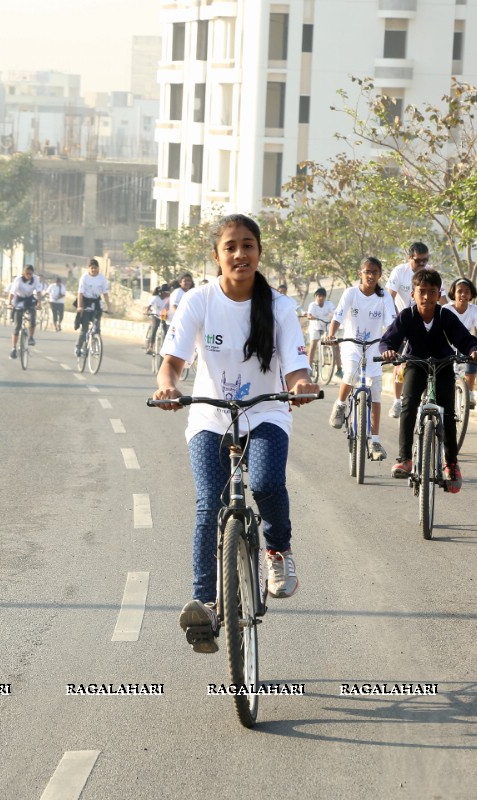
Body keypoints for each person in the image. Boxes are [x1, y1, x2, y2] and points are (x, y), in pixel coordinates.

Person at [151, 213, 319, 653]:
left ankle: (277, 552)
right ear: (217, 256)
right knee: (210, 501)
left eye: (248, 245)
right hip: (210, 417)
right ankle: (205, 603)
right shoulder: (198, 301)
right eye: (231, 246)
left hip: (265, 415)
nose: (240, 253)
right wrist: (168, 384)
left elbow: (297, 368)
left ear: (259, 252)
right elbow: (173, 360)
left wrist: (300, 386)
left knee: (264, 483)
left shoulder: (280, 307)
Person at [379, 269, 477, 493]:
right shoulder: (406, 316)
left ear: (439, 294)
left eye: (432, 292)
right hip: (416, 363)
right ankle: (405, 459)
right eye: (422, 292)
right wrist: (388, 350)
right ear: (413, 294)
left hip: (444, 364)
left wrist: (474, 349)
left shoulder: (445, 316)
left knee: (447, 413)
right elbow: (390, 339)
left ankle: (451, 465)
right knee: (408, 404)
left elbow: (464, 338)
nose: (427, 297)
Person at [326, 257, 397, 460]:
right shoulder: (351, 293)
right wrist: (331, 335)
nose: (371, 275)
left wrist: (393, 345)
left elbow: (391, 324)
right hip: (352, 346)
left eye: (375, 272)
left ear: (379, 275)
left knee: (375, 393)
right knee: (350, 372)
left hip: (375, 349)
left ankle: (375, 441)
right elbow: (338, 317)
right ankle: (340, 405)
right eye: (367, 272)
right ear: (361, 273)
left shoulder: (384, 297)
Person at [386, 242, 441, 419]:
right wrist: (394, 321)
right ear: (410, 258)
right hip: (404, 321)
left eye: (426, 261)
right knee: (400, 362)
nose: (422, 265)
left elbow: (443, 298)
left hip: (425, 321)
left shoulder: (430, 273)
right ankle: (397, 400)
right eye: (418, 261)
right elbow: (389, 299)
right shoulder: (399, 272)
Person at [445, 277, 477, 408]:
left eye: (467, 292)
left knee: (475, 354)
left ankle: (469, 392)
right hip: (446, 345)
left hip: (464, 344)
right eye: (460, 291)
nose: (463, 294)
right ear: (453, 293)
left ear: (471, 294)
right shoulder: (445, 309)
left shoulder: (475, 310)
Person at [7, 264, 43, 359]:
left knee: (32, 318)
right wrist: (9, 303)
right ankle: (14, 348)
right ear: (23, 273)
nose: (29, 275)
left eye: (30, 274)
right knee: (17, 326)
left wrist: (39, 303)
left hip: (29, 299)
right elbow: (12, 293)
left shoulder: (35, 279)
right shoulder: (18, 280)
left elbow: (39, 292)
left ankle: (31, 337)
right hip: (19, 299)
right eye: (27, 273)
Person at [75, 258, 110, 356]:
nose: (93, 270)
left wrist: (109, 307)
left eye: (95, 268)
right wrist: (79, 306)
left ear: (98, 268)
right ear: (89, 268)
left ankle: (94, 343)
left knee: (97, 328)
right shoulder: (84, 278)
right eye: (92, 268)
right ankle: (78, 346)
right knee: (85, 328)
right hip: (85, 302)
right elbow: (80, 293)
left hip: (96, 302)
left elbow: (105, 293)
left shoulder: (102, 278)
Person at [303, 287, 339, 379]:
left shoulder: (329, 304)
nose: (321, 298)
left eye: (323, 296)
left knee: (335, 343)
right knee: (313, 344)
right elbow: (309, 315)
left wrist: (337, 314)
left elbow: (335, 311)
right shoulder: (312, 305)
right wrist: (310, 316)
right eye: (319, 296)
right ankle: (309, 367)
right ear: (316, 297)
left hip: (326, 325)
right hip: (315, 327)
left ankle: (339, 369)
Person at [143, 284, 170, 355]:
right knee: (154, 328)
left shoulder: (168, 299)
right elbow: (149, 306)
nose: (168, 294)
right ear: (162, 292)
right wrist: (147, 311)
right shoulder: (155, 298)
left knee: (166, 329)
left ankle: (166, 347)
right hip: (155, 315)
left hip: (163, 316)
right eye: (166, 293)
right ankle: (150, 346)